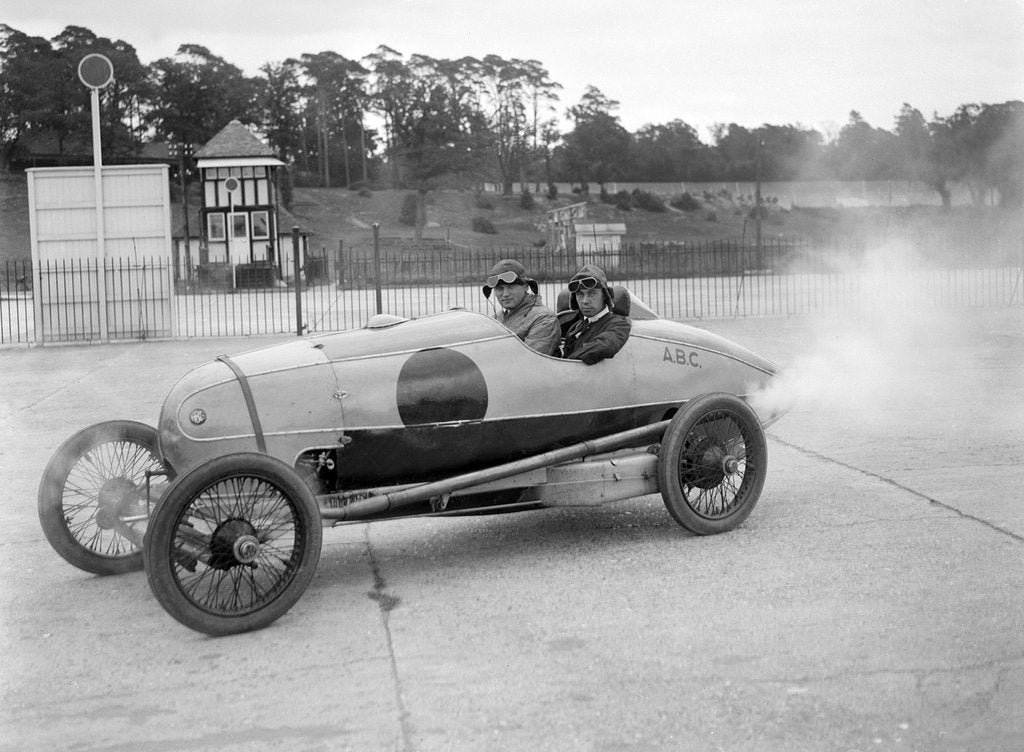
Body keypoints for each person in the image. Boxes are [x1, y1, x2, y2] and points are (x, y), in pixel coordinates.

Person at [481, 259, 560, 355]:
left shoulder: (544, 319)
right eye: (500, 288)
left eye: (511, 286)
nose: (505, 294)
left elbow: (529, 359)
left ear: (526, 287)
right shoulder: (496, 318)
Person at [560, 264, 631, 365]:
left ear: (605, 296)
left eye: (592, 294)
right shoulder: (576, 327)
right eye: (580, 294)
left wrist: (568, 361)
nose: (585, 301)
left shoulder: (619, 325)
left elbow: (604, 345)